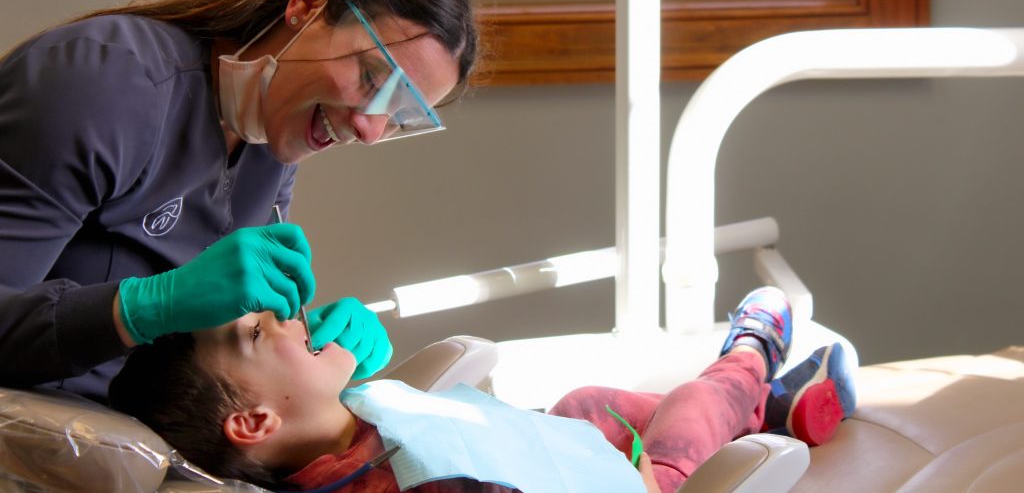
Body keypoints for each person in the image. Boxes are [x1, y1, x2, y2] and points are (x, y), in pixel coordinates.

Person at [0, 0, 479, 401]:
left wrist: (305, 342)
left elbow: (207, 343)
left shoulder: (272, 140)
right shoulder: (104, 83)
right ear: (308, 3)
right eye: (373, 78)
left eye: (398, 117)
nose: (370, 129)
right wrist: (142, 307)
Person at [109, 287, 856, 492]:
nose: (284, 316)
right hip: (628, 484)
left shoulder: (351, 426)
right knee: (689, 412)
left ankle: (783, 403)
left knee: (587, 399)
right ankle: (754, 354)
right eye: (255, 333)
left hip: (574, 445)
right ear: (254, 420)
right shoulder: (411, 482)